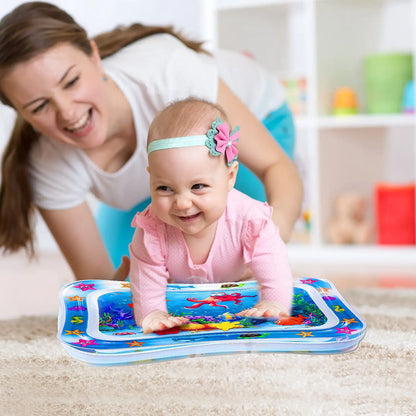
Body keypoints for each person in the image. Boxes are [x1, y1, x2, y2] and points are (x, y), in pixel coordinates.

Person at [0, 1, 303, 281]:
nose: (67, 112)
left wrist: (271, 238)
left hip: (254, 125)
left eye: (71, 82)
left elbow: (277, 167)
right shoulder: (47, 164)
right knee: (138, 271)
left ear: (94, 57)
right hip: (159, 186)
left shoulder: (168, 71)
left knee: (221, 255)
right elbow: (101, 286)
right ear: (22, 114)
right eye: (39, 107)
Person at [130, 98, 293, 334]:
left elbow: (275, 268)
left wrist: (273, 303)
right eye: (164, 188)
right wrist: (153, 313)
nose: (182, 203)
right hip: (184, 303)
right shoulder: (151, 229)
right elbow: (145, 283)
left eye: (198, 186)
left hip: (239, 294)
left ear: (230, 177)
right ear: (151, 178)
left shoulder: (251, 220)